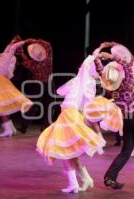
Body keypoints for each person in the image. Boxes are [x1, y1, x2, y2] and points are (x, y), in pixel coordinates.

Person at [93, 42, 134, 190]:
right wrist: (111, 55)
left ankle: (110, 177)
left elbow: (102, 73)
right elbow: (127, 63)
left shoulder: (111, 89)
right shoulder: (127, 81)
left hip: (127, 121)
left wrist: (98, 58)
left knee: (126, 151)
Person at [36, 55, 105, 193]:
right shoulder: (82, 83)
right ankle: (81, 179)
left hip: (70, 115)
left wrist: (95, 55)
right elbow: (60, 91)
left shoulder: (84, 80)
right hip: (68, 114)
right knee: (67, 152)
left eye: (82, 68)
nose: (80, 68)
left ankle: (77, 182)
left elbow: (85, 65)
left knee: (65, 151)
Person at [13, 37, 55, 133]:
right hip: (48, 83)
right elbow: (47, 44)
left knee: (33, 105)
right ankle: (46, 126)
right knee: (50, 104)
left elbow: (21, 55)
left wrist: (23, 43)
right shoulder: (48, 58)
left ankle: (24, 126)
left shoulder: (31, 63)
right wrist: (33, 40)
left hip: (38, 84)